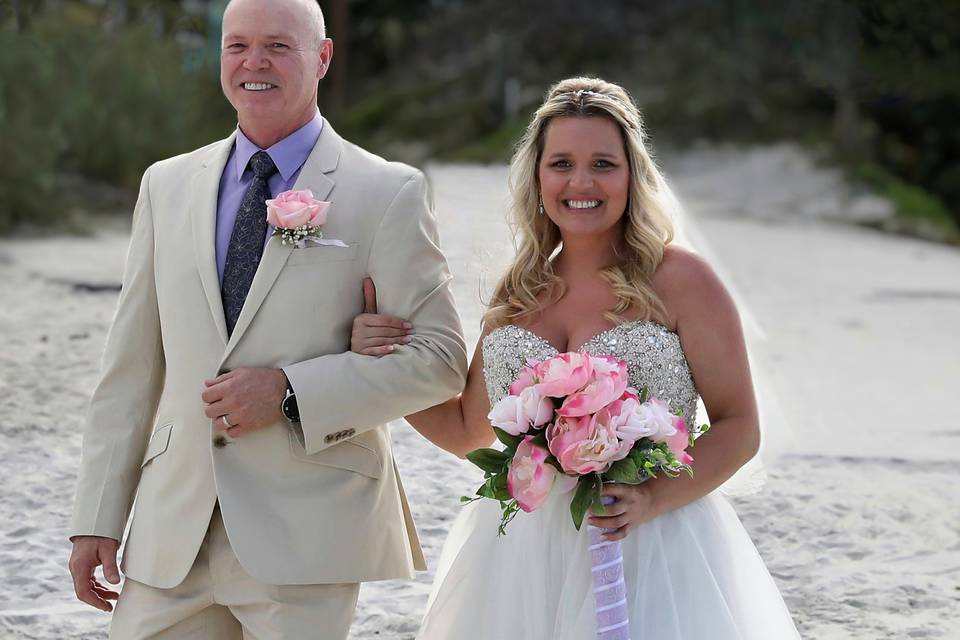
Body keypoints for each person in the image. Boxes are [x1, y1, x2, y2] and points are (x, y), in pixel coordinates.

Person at [67, 0, 467, 637]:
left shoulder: (388, 191)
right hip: (173, 532)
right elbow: (131, 369)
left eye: (279, 46)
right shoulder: (165, 185)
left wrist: (288, 392)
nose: (254, 62)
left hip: (308, 532)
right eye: (237, 46)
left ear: (323, 57)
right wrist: (97, 516)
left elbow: (442, 363)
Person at [350, 77, 801, 638]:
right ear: (537, 177)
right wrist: (383, 362)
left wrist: (650, 498)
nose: (581, 182)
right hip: (522, 555)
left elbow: (739, 426)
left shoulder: (682, 280)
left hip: (649, 540)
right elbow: (467, 430)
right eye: (561, 163)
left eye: (603, 164)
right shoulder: (518, 293)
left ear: (633, 174)